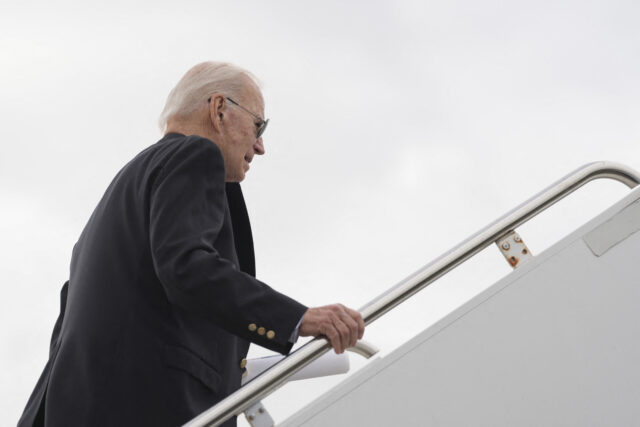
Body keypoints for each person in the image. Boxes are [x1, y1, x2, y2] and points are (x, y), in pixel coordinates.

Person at [18, 61, 365, 427]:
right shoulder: (194, 155)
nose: (260, 146)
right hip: (153, 408)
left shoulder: (118, 195)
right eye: (258, 125)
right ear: (219, 110)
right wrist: (297, 319)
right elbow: (186, 267)